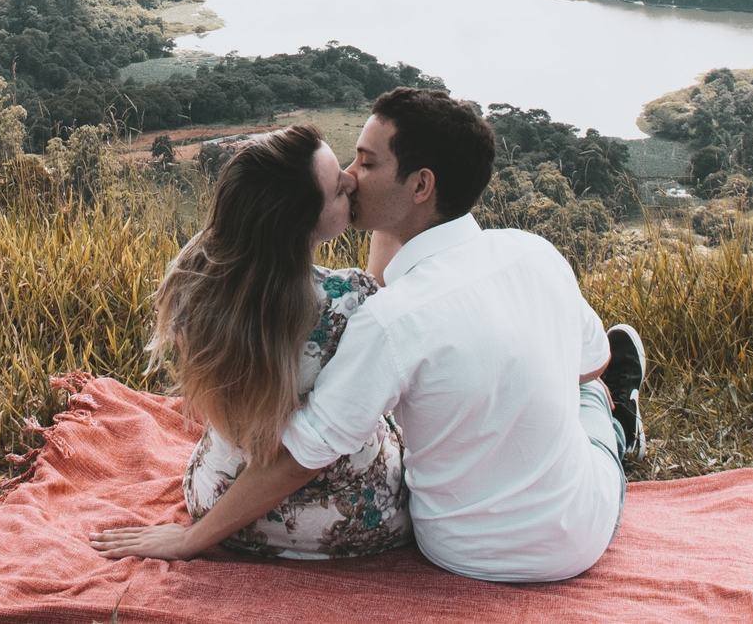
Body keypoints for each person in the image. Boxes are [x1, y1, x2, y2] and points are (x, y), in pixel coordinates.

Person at [97, 90, 647, 584]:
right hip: (577, 536)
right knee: (589, 395)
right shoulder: (534, 253)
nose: (353, 175)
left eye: (366, 160)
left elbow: (304, 449)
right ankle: (621, 416)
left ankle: (614, 410)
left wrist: (193, 538)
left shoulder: (384, 318)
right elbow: (588, 364)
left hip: (456, 548)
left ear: (421, 185)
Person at [92, 124, 411, 561]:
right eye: (338, 190)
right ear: (300, 226)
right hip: (350, 521)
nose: (352, 182)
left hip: (219, 504)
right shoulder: (351, 300)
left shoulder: (191, 280)